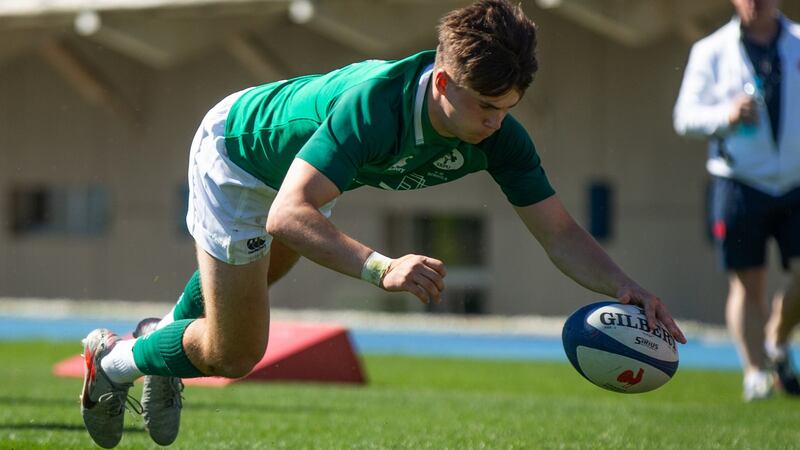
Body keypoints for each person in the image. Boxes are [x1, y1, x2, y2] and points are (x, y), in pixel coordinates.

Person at [79, 0, 686, 447]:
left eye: (509, 109)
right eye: (486, 108)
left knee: (263, 277)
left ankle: (160, 339)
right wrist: (382, 267)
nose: (498, 123)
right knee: (236, 352)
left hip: (298, 175)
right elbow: (289, 214)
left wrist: (623, 287)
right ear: (443, 82)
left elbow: (558, 233)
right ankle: (115, 360)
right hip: (239, 157)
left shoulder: (497, 133)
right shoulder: (377, 105)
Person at [673, 0, 800, 401]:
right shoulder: (711, 50)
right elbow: (685, 117)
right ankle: (755, 373)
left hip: (797, 181)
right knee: (748, 284)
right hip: (739, 182)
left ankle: (777, 339)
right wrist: (724, 115)